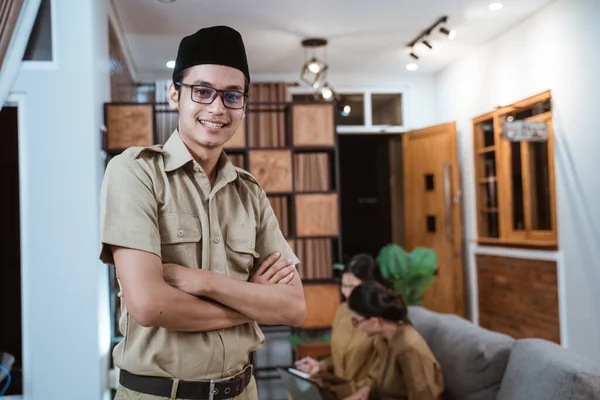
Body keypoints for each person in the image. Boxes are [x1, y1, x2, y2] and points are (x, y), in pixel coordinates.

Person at [99, 25, 306, 400]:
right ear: (174, 94)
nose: (217, 108)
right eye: (203, 91)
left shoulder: (250, 192)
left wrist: (206, 283)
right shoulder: (135, 172)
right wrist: (251, 299)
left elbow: (292, 306)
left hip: (243, 391)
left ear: (244, 104)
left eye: (232, 96)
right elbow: (149, 306)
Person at [294, 254, 387, 400]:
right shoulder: (343, 310)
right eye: (344, 285)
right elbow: (341, 356)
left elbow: (383, 372)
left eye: (352, 287)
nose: (346, 292)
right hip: (339, 389)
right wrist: (321, 365)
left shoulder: (380, 319)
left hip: (367, 393)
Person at [347, 281, 443, 400]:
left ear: (374, 321)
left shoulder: (409, 347)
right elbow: (386, 384)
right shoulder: (383, 339)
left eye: (356, 321)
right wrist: (366, 391)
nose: (357, 327)